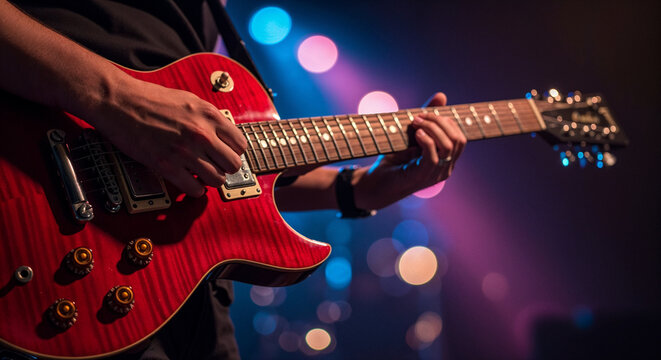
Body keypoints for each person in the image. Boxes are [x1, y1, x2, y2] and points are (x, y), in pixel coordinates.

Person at [0, 1, 466, 358]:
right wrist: (115, 97)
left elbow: (223, 177)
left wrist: (356, 189)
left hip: (181, 297)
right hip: (37, 216)